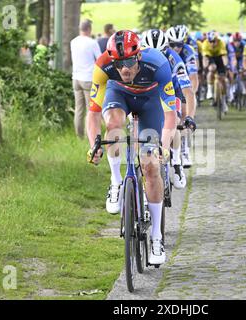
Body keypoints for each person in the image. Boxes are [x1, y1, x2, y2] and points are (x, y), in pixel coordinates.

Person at [87, 30, 177, 265]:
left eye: (128, 62)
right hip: (119, 96)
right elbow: (93, 114)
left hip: (150, 103)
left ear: (138, 57)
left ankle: (156, 235)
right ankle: (116, 182)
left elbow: (170, 115)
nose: (124, 69)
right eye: (118, 63)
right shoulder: (103, 66)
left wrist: (164, 147)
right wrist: (94, 145)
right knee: (114, 125)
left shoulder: (158, 65)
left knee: (150, 168)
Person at [142, 29, 197, 190]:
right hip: (150, 91)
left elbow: (188, 90)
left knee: (176, 122)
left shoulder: (175, 60)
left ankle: (177, 163)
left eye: (160, 53)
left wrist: (191, 117)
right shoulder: (139, 58)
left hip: (172, 91)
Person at [165, 25, 199, 169]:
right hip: (166, 84)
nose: (176, 47)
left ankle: (184, 150)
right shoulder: (163, 52)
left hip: (181, 84)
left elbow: (193, 77)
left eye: (179, 44)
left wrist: (190, 95)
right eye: (173, 44)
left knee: (183, 115)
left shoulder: (188, 52)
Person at [70, 19, 102, 138]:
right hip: (88, 79)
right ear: (89, 29)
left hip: (76, 78)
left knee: (79, 109)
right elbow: (100, 60)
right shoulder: (92, 43)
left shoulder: (73, 42)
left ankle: (79, 136)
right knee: (91, 110)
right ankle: (91, 135)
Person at [201, 31, 229, 112]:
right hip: (210, 58)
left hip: (219, 58)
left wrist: (226, 66)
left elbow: (224, 57)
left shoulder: (221, 43)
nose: (212, 44)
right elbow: (205, 58)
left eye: (214, 42)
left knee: (223, 80)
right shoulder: (205, 44)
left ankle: (224, 101)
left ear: (217, 40)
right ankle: (209, 90)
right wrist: (205, 67)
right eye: (210, 42)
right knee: (211, 69)